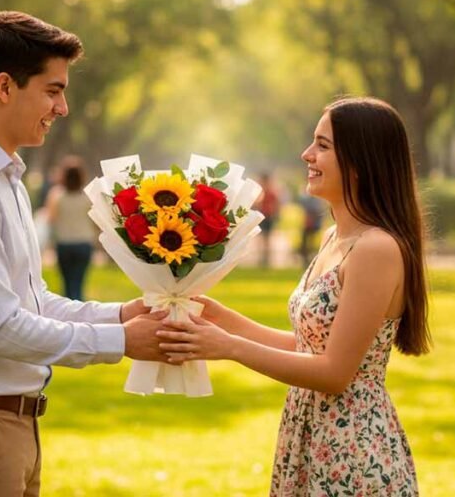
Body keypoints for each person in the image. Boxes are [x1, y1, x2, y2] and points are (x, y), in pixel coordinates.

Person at [0, 11, 166, 497]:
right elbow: (0, 329)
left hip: (1, 427)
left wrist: (122, 315)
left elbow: (34, 302)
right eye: (52, 90)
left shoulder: (4, 178)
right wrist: (123, 343)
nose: (63, 107)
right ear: (4, 86)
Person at [160, 97, 431, 496]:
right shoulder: (334, 238)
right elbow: (310, 347)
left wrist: (230, 347)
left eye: (323, 145)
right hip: (311, 435)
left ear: (360, 162)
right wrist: (221, 319)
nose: (307, 154)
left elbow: (335, 373)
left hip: (352, 452)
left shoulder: (377, 249)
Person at [45, 156, 95, 301]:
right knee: (79, 282)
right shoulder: (87, 197)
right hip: (84, 243)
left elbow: (51, 219)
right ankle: (80, 310)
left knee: (66, 283)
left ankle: (69, 315)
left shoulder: (56, 195)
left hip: (64, 243)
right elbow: (95, 221)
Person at [255, 172, 280, 267]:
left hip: (268, 216)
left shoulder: (270, 192)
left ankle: (266, 258)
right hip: (263, 215)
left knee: (267, 238)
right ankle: (262, 258)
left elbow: (276, 204)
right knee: (262, 238)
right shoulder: (262, 191)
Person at [297, 192, 324, 267]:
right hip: (309, 225)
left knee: (309, 243)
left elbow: (315, 212)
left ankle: (309, 259)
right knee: (306, 243)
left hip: (313, 225)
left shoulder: (314, 200)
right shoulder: (313, 199)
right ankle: (306, 259)